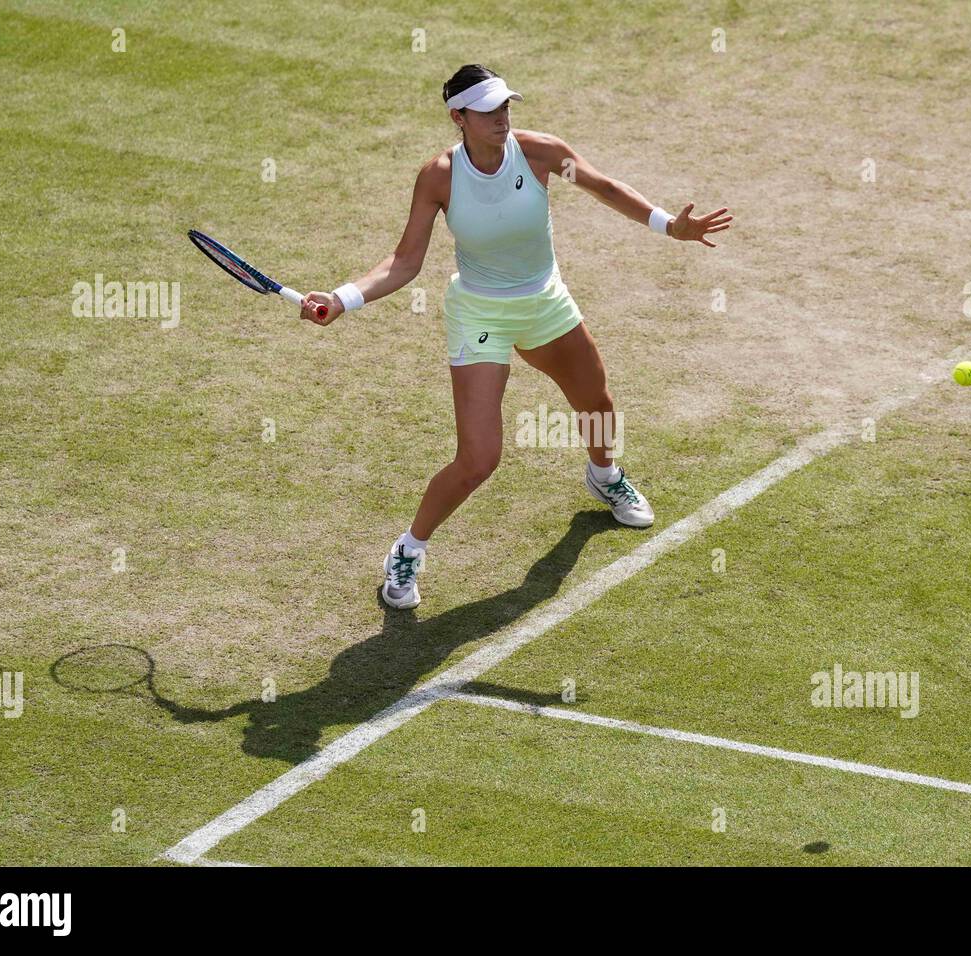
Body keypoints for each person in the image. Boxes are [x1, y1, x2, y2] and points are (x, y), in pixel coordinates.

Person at [300, 64, 733, 609]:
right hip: (481, 314)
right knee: (480, 459)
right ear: (459, 118)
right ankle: (408, 550)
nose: (502, 118)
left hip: (545, 301)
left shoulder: (541, 153)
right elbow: (405, 261)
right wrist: (342, 297)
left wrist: (670, 224)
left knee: (596, 403)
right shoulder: (439, 176)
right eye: (488, 111)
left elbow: (604, 187)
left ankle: (604, 476)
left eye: (506, 107)